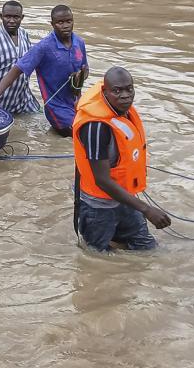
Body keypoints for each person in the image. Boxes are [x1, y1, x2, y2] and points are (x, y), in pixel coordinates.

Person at [72, 67, 170, 252]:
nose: (125, 96)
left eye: (129, 89)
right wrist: (147, 209)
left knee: (147, 249)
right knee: (95, 258)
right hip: (98, 207)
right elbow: (102, 180)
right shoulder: (96, 127)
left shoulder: (123, 112)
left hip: (125, 199)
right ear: (105, 92)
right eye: (117, 91)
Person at [0, 5, 88, 136]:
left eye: (68, 21)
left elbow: (85, 69)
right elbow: (16, 70)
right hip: (56, 108)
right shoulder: (43, 47)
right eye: (60, 22)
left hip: (76, 102)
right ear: (52, 24)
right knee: (81, 135)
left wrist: (80, 77)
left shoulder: (79, 42)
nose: (65, 25)